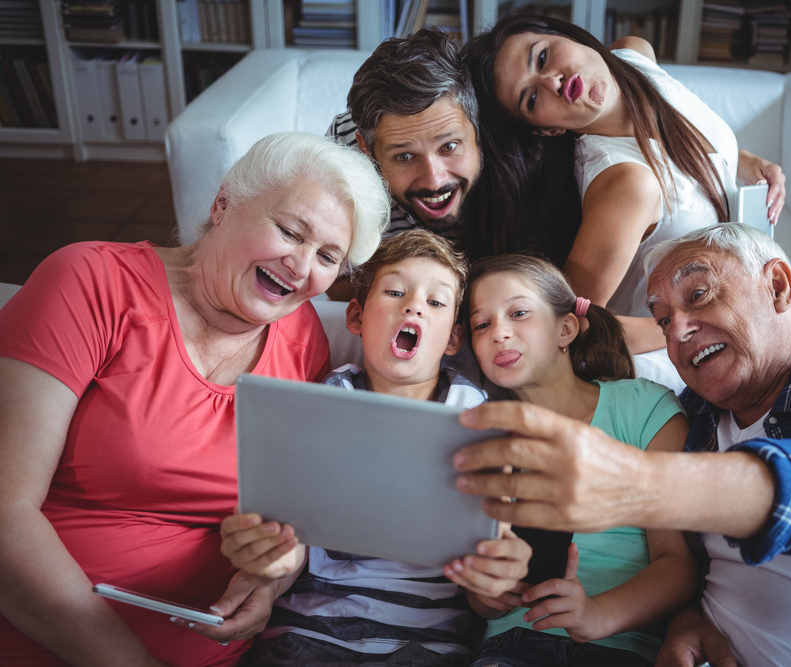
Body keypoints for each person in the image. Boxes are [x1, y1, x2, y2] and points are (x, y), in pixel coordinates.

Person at [450, 224, 791, 666]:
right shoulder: (692, 424)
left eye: (699, 294)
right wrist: (692, 620)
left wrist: (640, 484)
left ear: (778, 286)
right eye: (663, 318)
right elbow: (671, 565)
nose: (678, 330)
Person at [0, 132, 391, 666]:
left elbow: (291, 516)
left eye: (327, 256)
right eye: (289, 231)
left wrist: (270, 582)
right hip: (50, 642)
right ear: (223, 203)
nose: (301, 267)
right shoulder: (87, 283)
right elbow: (5, 511)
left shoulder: (302, 342)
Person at [218, 230, 532, 667]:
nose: (414, 305)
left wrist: (495, 584)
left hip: (426, 644)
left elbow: (486, 582)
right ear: (356, 317)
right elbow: (295, 539)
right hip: (308, 631)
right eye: (395, 291)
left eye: (436, 303)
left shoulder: (478, 418)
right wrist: (267, 565)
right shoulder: (325, 399)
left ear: (453, 340)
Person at [463, 14, 786, 354]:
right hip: (680, 354)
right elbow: (573, 324)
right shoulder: (628, 183)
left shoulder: (634, 55)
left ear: (570, 37)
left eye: (542, 57)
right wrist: (703, 324)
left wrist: (746, 163)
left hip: (744, 305)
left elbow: (680, 140)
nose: (552, 82)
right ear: (548, 130)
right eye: (531, 98)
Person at [453, 254, 695, 666]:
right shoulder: (481, 435)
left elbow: (678, 565)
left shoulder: (643, 407)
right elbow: (480, 598)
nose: (499, 334)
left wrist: (596, 614)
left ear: (566, 328)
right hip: (511, 645)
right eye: (482, 324)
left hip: (619, 646)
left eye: (519, 312)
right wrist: (489, 594)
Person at [326, 27, 583, 303]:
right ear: (366, 150)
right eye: (404, 156)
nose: (434, 181)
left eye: (448, 147)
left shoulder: (529, 157)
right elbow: (335, 279)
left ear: (479, 128)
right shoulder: (345, 152)